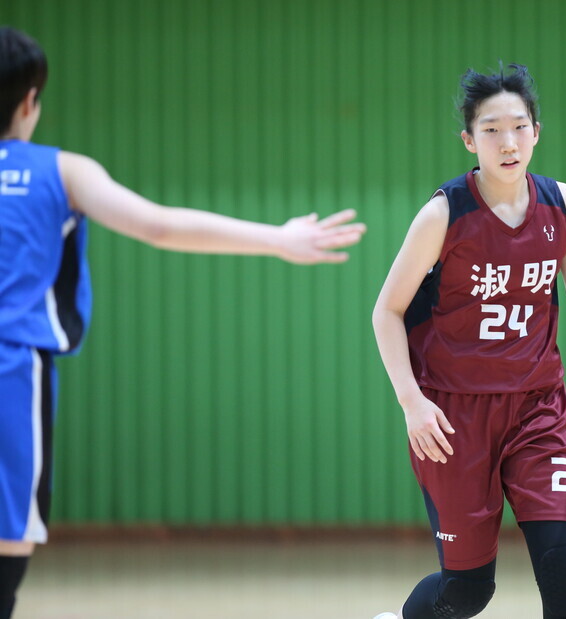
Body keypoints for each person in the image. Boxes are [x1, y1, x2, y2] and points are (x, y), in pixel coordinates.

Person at [0, 26, 365, 618]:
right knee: (7, 540)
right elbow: (158, 225)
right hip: (12, 371)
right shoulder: (60, 171)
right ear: (29, 102)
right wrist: (277, 238)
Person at [372, 63, 566, 619]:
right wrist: (412, 403)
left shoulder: (562, 203)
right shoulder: (444, 214)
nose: (508, 142)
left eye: (519, 127)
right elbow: (386, 311)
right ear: (469, 140)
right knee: (467, 592)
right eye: (491, 130)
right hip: (455, 417)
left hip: (538, 408)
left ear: (536, 132)